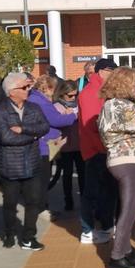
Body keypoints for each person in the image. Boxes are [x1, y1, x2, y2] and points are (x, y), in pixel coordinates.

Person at [97, 68, 135, 268]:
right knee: (129, 211)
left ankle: (126, 250)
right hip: (128, 160)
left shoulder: (118, 104)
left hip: (131, 159)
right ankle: (116, 256)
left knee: (128, 208)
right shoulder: (117, 105)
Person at [0, 73, 50, 251]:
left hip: (32, 163)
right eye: (24, 88)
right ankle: (9, 232)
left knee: (33, 201)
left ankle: (28, 236)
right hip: (10, 165)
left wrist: (24, 129)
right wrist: (33, 136)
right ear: (11, 92)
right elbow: (5, 137)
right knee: (10, 203)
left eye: (28, 87)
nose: (27, 90)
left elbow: (44, 126)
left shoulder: (34, 108)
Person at [78, 58, 118, 244]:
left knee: (108, 191)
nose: (114, 75)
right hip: (96, 150)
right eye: (112, 71)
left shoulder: (104, 91)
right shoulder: (90, 92)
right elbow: (94, 124)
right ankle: (87, 230)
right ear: (102, 71)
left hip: (106, 148)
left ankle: (107, 225)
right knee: (93, 191)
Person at [28, 75, 77, 219]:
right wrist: (74, 115)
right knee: (42, 179)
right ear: (48, 88)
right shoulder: (40, 101)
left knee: (44, 177)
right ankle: (41, 208)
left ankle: (43, 206)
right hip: (43, 144)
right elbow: (55, 119)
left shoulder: (38, 99)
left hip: (45, 143)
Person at [50, 80, 83, 212]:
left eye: (75, 95)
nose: (73, 98)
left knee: (83, 174)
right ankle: (68, 200)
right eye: (70, 96)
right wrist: (66, 116)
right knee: (67, 174)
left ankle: (84, 200)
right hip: (65, 145)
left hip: (79, 144)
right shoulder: (57, 106)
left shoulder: (79, 104)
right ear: (62, 94)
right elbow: (56, 122)